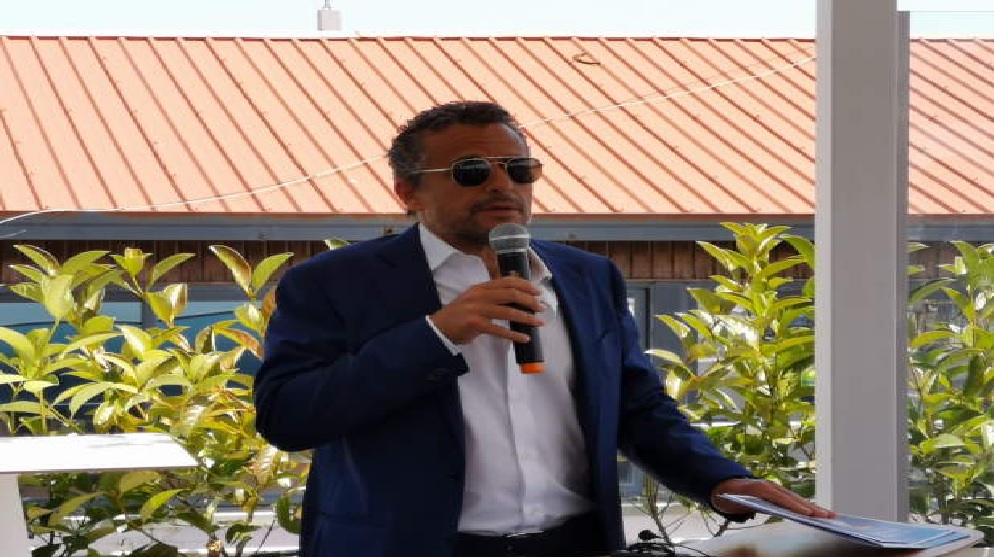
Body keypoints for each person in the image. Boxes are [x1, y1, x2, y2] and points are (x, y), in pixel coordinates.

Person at [253, 100, 833, 557]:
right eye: (471, 171)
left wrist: (721, 482)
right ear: (408, 192)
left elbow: (637, 408)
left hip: (575, 543)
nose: (501, 185)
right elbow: (289, 416)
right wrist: (435, 334)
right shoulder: (332, 283)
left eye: (519, 169)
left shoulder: (588, 277)